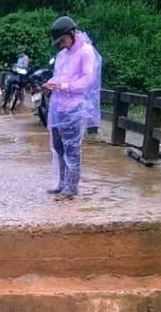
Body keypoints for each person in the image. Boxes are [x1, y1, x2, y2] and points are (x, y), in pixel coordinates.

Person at [44, 16, 101, 200]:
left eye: (63, 40)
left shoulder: (86, 52)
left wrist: (65, 86)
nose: (62, 44)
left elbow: (87, 81)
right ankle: (61, 182)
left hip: (74, 108)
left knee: (72, 149)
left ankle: (71, 186)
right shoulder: (62, 55)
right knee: (58, 147)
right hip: (58, 108)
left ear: (72, 34)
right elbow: (58, 76)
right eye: (59, 41)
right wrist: (50, 84)